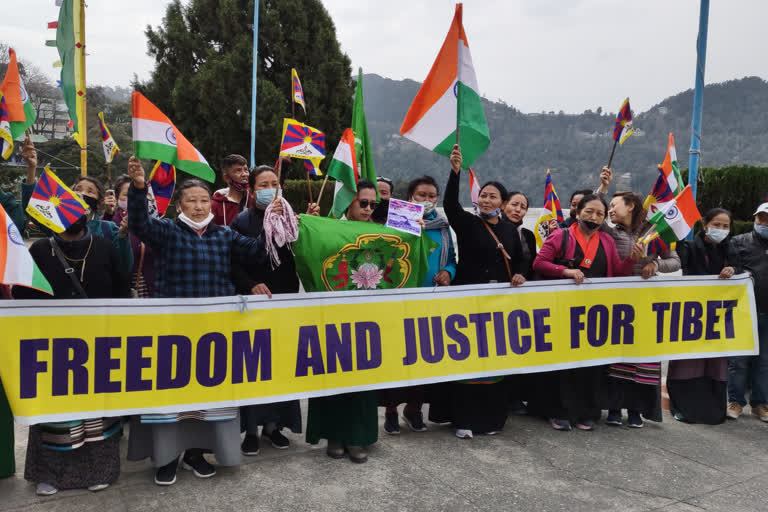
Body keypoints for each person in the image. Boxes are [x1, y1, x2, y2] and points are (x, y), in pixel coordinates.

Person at [124, 156, 272, 485]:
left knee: (207, 401)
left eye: (204, 200)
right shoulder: (165, 231)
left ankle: (196, 454)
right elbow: (138, 223)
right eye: (191, 200)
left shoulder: (223, 235)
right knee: (171, 400)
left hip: (213, 335)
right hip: (172, 333)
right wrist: (137, 188)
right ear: (179, 204)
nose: (198, 206)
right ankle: (165, 459)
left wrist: (274, 219)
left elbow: (257, 251)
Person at [13, 194, 130, 495]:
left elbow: (121, 291)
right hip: (52, 346)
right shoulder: (39, 249)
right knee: (57, 414)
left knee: (96, 412)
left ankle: (99, 471)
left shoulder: (105, 247)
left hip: (99, 344)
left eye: (79, 208)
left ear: (87, 215)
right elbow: (24, 295)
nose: (73, 214)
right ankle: (50, 476)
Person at [530, 194, 639, 431]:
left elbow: (618, 272)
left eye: (600, 213)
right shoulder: (561, 235)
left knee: (590, 364)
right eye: (589, 211)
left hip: (594, 312)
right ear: (578, 212)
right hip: (562, 309)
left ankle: (586, 411)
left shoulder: (607, 241)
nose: (594, 217)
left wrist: (631, 260)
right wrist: (565, 272)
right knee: (562, 364)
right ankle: (556, 411)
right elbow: (539, 263)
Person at [231, 165, 318, 454]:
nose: (271, 188)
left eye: (275, 183)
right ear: (253, 191)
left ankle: (275, 427)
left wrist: (312, 226)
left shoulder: (293, 220)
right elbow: (231, 263)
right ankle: (252, 430)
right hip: (254, 305)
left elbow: (307, 253)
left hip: (286, 301)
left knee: (281, 365)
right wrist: (250, 284)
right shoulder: (242, 222)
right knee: (254, 367)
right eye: (264, 184)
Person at [443, 145, 526, 439]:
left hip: (499, 304)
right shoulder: (467, 222)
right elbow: (450, 205)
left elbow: (520, 259)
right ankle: (463, 419)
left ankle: (492, 420)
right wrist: (454, 172)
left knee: (494, 361)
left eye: (493, 196)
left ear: (503, 203)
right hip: (468, 299)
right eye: (483, 195)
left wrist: (520, 274)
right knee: (467, 359)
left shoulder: (509, 231)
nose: (486, 199)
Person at [597, 169, 680, 427]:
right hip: (617, 303)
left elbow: (674, 261)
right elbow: (590, 214)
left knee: (641, 359)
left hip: (645, 304)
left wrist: (655, 267)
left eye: (613, 205)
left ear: (631, 205)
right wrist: (602, 189)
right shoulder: (610, 232)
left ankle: (635, 411)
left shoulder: (656, 232)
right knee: (616, 357)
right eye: (608, 207)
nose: (609, 210)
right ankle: (613, 409)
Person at [305, 180, 380, 463]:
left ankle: (357, 437)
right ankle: (333, 435)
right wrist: (310, 226)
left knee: (363, 378)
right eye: (363, 202)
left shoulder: (380, 232)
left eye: (374, 204)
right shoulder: (329, 226)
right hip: (332, 313)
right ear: (349, 201)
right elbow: (308, 255)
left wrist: (416, 230)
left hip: (367, 316)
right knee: (332, 374)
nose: (369, 208)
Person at [379, 175, 457, 435]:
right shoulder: (399, 221)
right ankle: (391, 410)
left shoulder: (444, 226)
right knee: (398, 358)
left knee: (424, 357)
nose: (427, 200)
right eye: (421, 195)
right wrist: (412, 230)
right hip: (402, 300)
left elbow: (452, 260)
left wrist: (448, 272)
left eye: (432, 196)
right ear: (410, 196)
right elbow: (389, 256)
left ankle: (414, 409)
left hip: (432, 301)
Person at [20, 139, 132, 273]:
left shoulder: (109, 229)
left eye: (90, 191)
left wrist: (123, 235)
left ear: (100, 201)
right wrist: (32, 169)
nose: (82, 194)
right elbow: (31, 207)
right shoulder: (58, 224)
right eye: (77, 189)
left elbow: (125, 266)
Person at [669, 208, 735, 424]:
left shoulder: (731, 250)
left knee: (715, 363)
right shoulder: (688, 247)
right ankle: (682, 407)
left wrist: (733, 271)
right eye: (717, 224)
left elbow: (744, 273)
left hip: (719, 317)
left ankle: (714, 410)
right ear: (705, 225)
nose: (721, 230)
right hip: (691, 315)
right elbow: (683, 273)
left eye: (725, 226)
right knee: (688, 361)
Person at [725, 202, 768, 422]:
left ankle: (760, 404)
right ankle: (735, 402)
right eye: (761, 218)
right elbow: (731, 269)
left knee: (764, 361)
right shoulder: (738, 242)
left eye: (767, 219)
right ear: (755, 219)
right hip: (743, 312)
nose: (763, 223)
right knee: (738, 361)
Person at [108, 175, 156, 297]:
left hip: (150, 284)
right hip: (124, 287)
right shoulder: (109, 223)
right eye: (126, 194)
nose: (131, 197)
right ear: (117, 197)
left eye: (135, 193)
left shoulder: (151, 222)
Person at [211, 154, 251, 226]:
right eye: (238, 170)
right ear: (227, 178)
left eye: (246, 170)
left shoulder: (254, 199)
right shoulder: (215, 205)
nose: (245, 174)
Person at [504, 191, 537, 278]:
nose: (518, 210)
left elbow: (533, 266)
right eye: (514, 204)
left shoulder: (528, 235)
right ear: (503, 205)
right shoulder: (493, 229)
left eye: (523, 207)